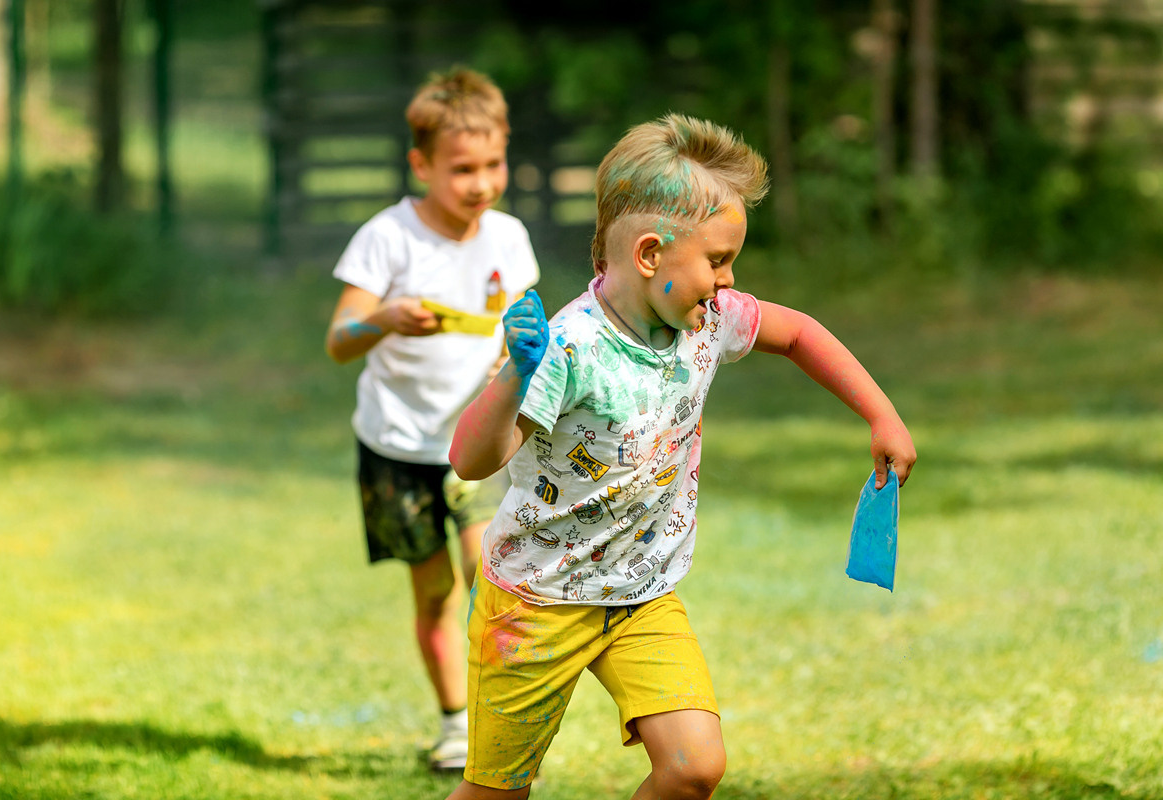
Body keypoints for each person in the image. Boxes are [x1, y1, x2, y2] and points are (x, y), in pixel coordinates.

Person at [445, 113, 916, 799]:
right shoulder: (569, 347)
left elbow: (799, 334)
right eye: (718, 260)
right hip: (535, 601)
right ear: (648, 255)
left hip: (642, 595)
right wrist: (515, 375)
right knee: (497, 793)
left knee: (694, 768)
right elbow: (470, 460)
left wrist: (880, 414)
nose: (730, 279)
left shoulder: (708, 319)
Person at [325, 67, 539, 772]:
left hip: (474, 441)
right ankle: (454, 723)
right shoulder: (386, 238)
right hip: (394, 444)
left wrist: (520, 360)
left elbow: (525, 324)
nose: (481, 184)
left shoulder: (507, 237)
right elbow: (338, 341)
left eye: (493, 165)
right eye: (462, 170)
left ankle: (499, 719)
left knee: (489, 575)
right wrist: (383, 320)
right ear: (421, 165)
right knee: (435, 591)